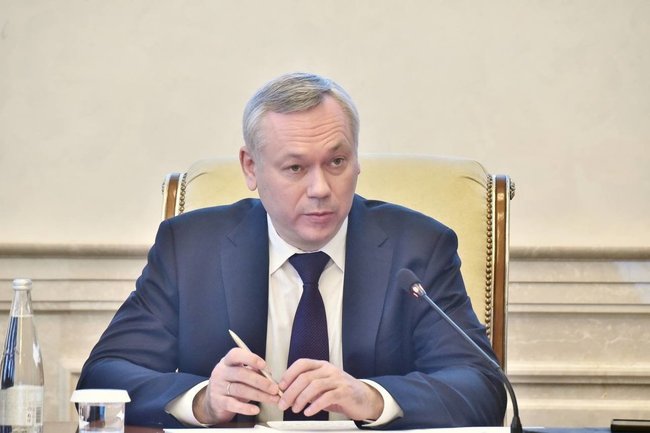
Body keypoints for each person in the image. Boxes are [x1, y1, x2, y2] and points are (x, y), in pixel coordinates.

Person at [78, 72, 507, 429]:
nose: (320, 189)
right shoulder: (190, 249)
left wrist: (373, 397)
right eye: (295, 167)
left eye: (336, 162)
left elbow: (482, 387)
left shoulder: (418, 248)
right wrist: (203, 400)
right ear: (251, 167)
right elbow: (104, 375)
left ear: (357, 160)